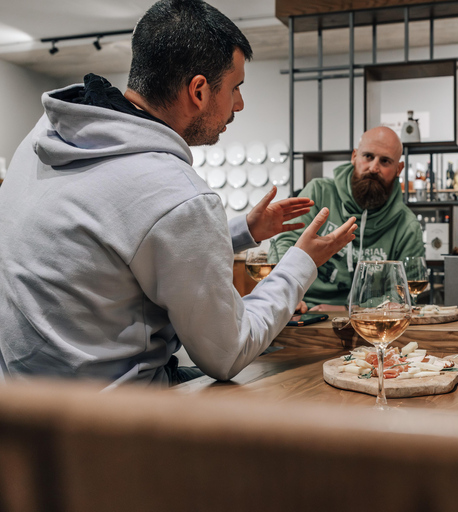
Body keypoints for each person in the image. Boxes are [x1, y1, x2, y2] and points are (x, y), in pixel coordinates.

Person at [0, 0, 357, 388]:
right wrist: (302, 261)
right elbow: (228, 353)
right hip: (108, 422)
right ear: (199, 91)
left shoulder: (44, 136)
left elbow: (124, 234)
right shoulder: (175, 193)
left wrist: (242, 231)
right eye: (235, 88)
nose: (240, 104)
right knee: (285, 376)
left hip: (23, 402)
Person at [268, 126, 425, 311]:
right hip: (304, 311)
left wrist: (348, 309)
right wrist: (288, 295)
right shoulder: (319, 193)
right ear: (354, 157)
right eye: (368, 157)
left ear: (399, 169)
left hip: (370, 322)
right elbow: (286, 244)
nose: (374, 168)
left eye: (385, 161)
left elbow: (403, 296)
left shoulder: (407, 226)